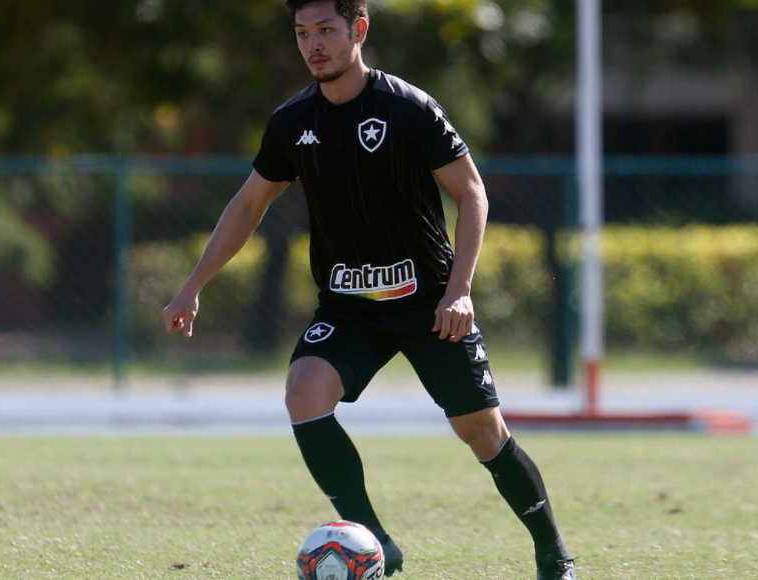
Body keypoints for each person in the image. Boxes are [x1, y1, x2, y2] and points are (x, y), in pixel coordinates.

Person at [161, 1, 575, 578]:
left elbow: (472, 192)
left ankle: (553, 551)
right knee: (304, 394)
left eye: (326, 30)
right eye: (303, 33)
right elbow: (250, 203)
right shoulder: (291, 122)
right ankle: (375, 540)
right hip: (348, 306)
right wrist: (192, 287)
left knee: (482, 432)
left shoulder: (407, 108)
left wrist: (459, 290)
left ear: (358, 29)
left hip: (430, 304)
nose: (314, 45)